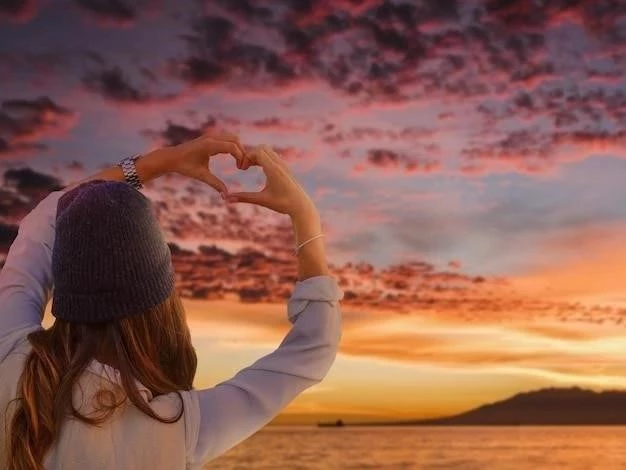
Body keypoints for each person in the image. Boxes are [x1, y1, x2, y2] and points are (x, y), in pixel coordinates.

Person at [0, 133, 344, 470]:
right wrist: (306, 217)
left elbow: (45, 216)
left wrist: (161, 162)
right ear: (162, 301)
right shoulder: (179, 428)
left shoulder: (9, 351)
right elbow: (315, 348)